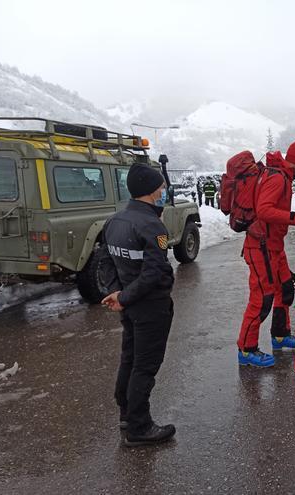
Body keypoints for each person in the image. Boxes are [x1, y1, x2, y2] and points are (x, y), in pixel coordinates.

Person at [101, 164, 176, 447]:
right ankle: (139, 427)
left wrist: (116, 292)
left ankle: (127, 412)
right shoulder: (152, 225)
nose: (163, 192)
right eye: (160, 188)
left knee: (130, 357)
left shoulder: (115, 221)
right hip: (150, 306)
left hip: (130, 306)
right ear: (151, 191)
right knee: (145, 365)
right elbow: (155, 272)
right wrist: (123, 297)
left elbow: (106, 261)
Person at [238, 140, 295, 367]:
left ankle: (280, 335)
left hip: (274, 246)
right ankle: (246, 349)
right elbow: (264, 210)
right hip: (260, 247)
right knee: (261, 299)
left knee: (284, 289)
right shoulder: (277, 178)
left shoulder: (282, 175)